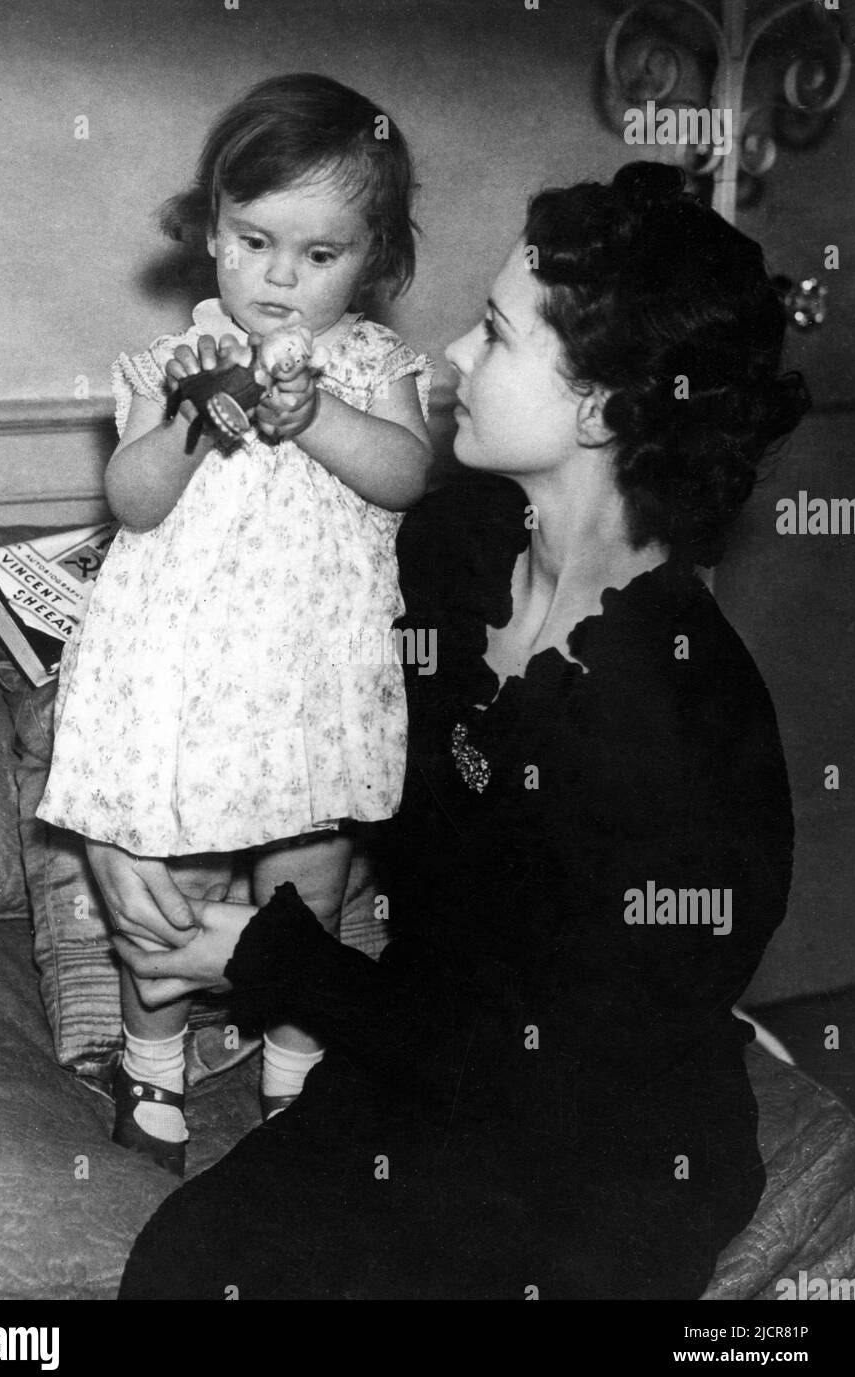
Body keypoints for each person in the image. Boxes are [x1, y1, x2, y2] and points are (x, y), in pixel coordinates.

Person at [97, 161, 809, 1298]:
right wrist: (119, 818)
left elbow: (546, 1061)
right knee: (186, 1270)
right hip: (405, 1071)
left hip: (590, 1156)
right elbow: (246, 662)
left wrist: (266, 956)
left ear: (599, 406)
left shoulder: (683, 730)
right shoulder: (452, 549)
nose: (452, 361)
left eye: (493, 333)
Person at [36, 73, 433, 1174]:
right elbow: (134, 501)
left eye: (321, 256)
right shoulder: (173, 366)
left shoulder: (371, 365)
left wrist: (318, 418)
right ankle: (149, 1064)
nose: (279, 277)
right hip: (183, 684)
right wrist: (192, 422)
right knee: (168, 886)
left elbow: (402, 477)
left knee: (308, 883)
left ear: (375, 260)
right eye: (255, 240)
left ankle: (293, 1070)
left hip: (311, 684)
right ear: (211, 230)